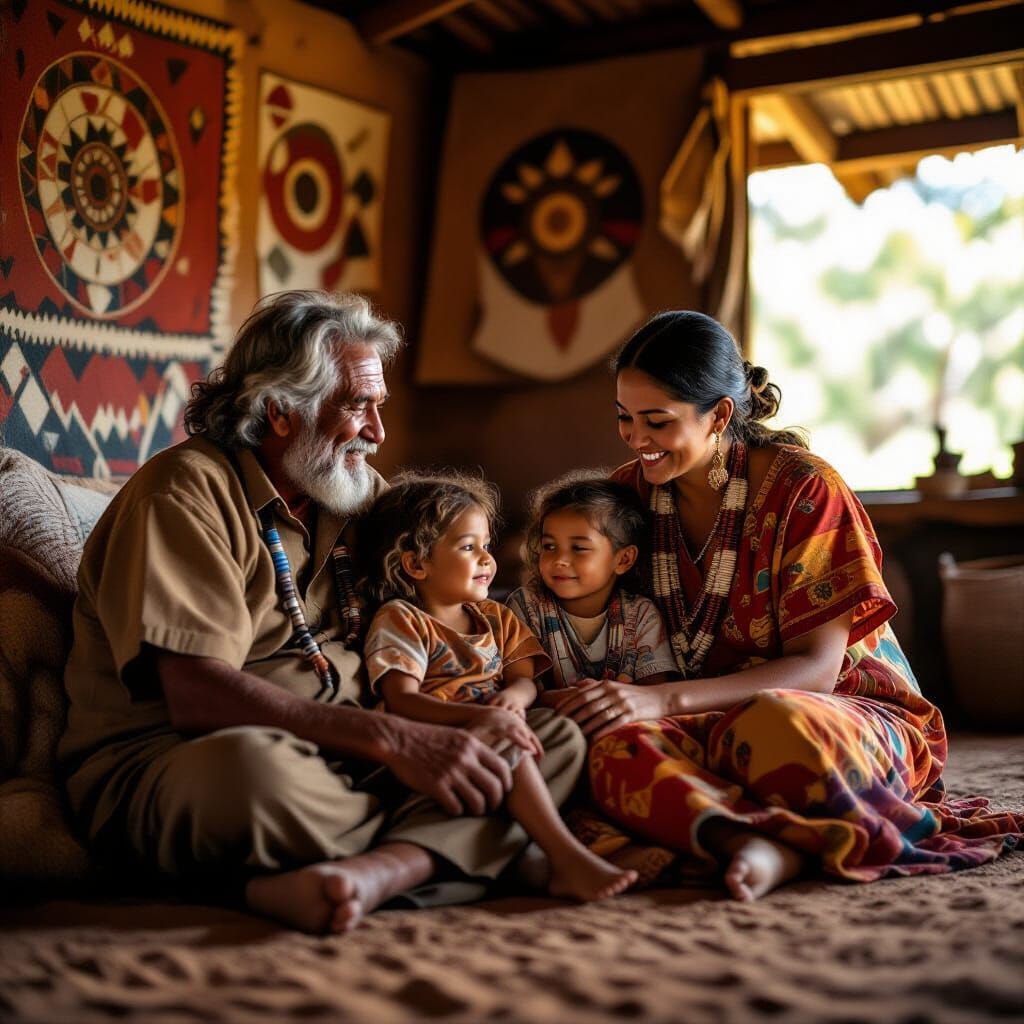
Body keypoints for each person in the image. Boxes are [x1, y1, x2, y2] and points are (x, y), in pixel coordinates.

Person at [58, 290, 586, 933]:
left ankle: (368, 874)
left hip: (353, 756)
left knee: (548, 739)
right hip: (186, 758)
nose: (378, 433)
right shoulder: (182, 493)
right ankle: (444, 854)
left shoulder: (360, 499)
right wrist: (396, 741)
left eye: (378, 407)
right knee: (252, 775)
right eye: (357, 406)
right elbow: (194, 693)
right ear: (281, 410)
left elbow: (440, 612)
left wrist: (462, 718)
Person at [549, 310, 1024, 902]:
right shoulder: (627, 497)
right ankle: (757, 842)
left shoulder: (806, 488)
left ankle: (728, 835)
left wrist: (657, 699)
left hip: (837, 712)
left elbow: (817, 672)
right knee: (608, 745)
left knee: (780, 725)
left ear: (720, 415)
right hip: (703, 716)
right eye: (624, 418)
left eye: (657, 421)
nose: (635, 438)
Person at [359, 471, 637, 901]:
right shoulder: (404, 619)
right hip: (431, 745)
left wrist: (513, 698)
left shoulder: (495, 615)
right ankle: (563, 854)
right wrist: (484, 716)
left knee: (560, 729)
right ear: (417, 564)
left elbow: (524, 680)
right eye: (469, 547)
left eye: (486, 546)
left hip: (491, 730)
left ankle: (514, 854)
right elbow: (401, 700)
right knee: (507, 737)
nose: (487, 559)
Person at [506, 472, 677, 690]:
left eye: (579, 548)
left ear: (624, 559)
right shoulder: (525, 607)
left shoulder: (642, 615)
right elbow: (520, 687)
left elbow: (653, 693)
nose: (559, 560)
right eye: (549, 546)